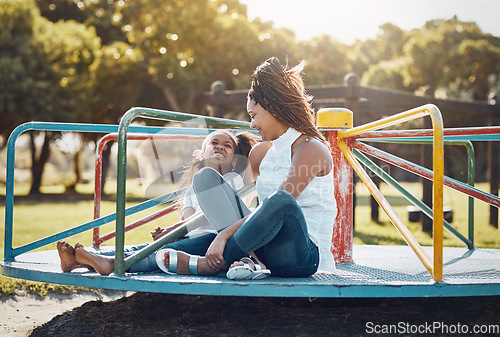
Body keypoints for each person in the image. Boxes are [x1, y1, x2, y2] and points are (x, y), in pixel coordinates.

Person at [156, 57, 337, 279]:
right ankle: (123, 260)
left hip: (302, 257)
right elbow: (230, 204)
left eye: (253, 116)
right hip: (264, 247)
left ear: (272, 108)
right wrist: (180, 229)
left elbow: (276, 205)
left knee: (280, 201)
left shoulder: (310, 149)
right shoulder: (262, 153)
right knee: (206, 180)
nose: (251, 125)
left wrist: (223, 237)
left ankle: (209, 264)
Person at [57, 130, 259, 275]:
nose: (220, 147)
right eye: (214, 143)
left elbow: (214, 212)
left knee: (158, 252)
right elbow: (189, 221)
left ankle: (110, 264)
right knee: (144, 247)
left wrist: (172, 229)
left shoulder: (233, 180)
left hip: (215, 238)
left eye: (227, 146)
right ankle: (76, 261)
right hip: (193, 237)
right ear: (201, 154)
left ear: (234, 160)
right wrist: (174, 232)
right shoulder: (191, 190)